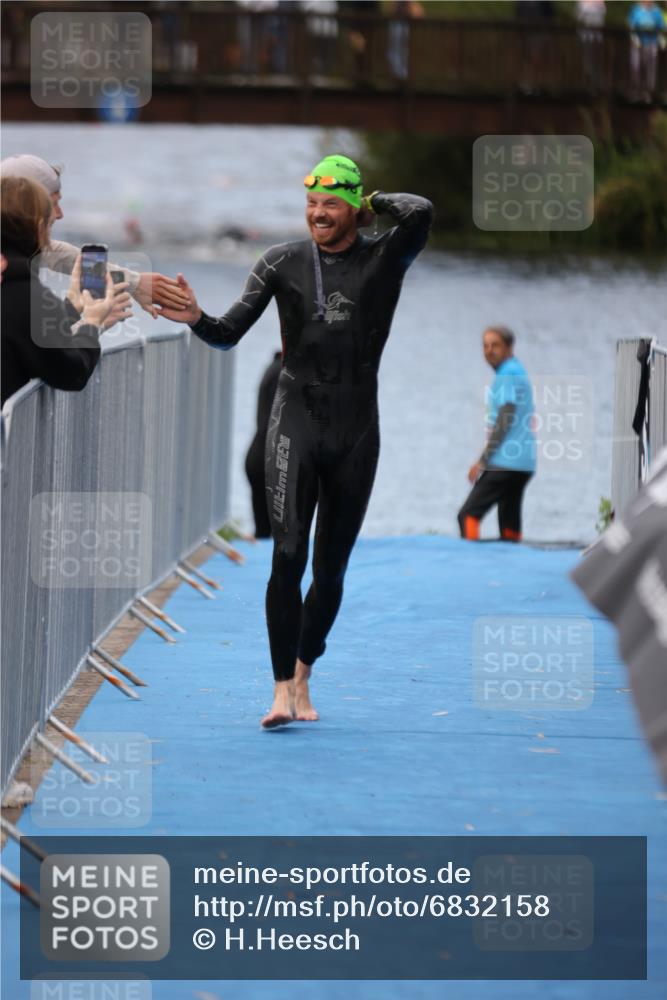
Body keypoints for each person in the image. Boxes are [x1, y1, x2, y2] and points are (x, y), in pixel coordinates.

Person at [157, 154, 433, 728]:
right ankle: (281, 689)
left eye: (331, 203)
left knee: (331, 568)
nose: (317, 214)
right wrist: (195, 317)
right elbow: (227, 334)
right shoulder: (279, 263)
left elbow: (420, 212)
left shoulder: (385, 257)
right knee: (288, 555)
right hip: (296, 421)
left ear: (354, 206)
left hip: (357, 429)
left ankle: (306, 673)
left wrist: (372, 196)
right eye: (310, 203)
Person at [0, 154, 189, 317]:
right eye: (53, 203)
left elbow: (55, 253)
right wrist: (89, 324)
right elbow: (57, 356)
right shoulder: (15, 283)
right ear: (28, 207)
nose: (60, 214)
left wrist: (133, 282)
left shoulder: (12, 252)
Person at [1, 176, 125, 404]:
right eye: (50, 226)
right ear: (39, 228)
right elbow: (70, 372)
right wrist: (92, 324)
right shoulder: (26, 296)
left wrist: (69, 309)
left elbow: (25, 338)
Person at [458, 325, 536, 543]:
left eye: (495, 345)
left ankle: (471, 564)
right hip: (523, 463)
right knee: (509, 524)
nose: (489, 350)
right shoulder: (517, 369)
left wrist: (482, 461)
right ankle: (515, 563)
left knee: (468, 515)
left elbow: (505, 418)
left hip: (505, 461)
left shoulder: (507, 374)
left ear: (509, 348)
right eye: (485, 345)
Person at [245, 350, 282, 539]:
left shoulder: (275, 367)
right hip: (270, 462)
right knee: (277, 537)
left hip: (261, 457)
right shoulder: (284, 372)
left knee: (266, 534)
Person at [628, 0, 665, 100]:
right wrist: (634, 37)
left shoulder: (656, 11)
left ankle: (648, 92)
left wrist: (661, 39)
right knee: (636, 67)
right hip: (638, 45)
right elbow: (631, 25)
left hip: (651, 44)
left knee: (650, 69)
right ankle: (635, 91)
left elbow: (661, 27)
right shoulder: (636, 10)